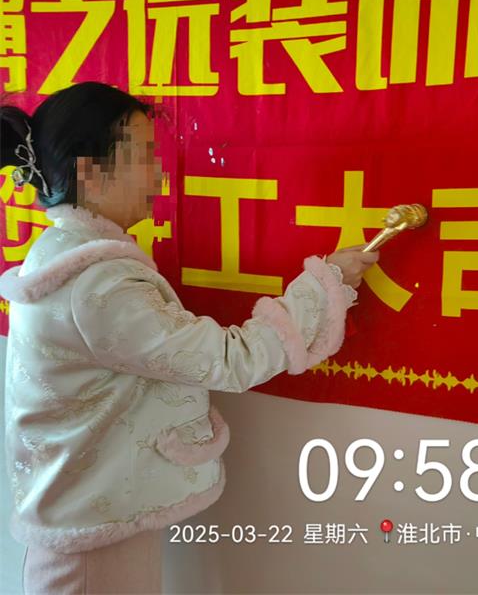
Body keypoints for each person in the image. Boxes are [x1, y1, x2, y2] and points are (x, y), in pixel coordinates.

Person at [0, 81, 378, 594]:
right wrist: (324, 284)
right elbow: (229, 360)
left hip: (86, 523)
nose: (158, 174)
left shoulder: (63, 254)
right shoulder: (98, 284)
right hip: (91, 550)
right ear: (91, 173)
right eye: (143, 156)